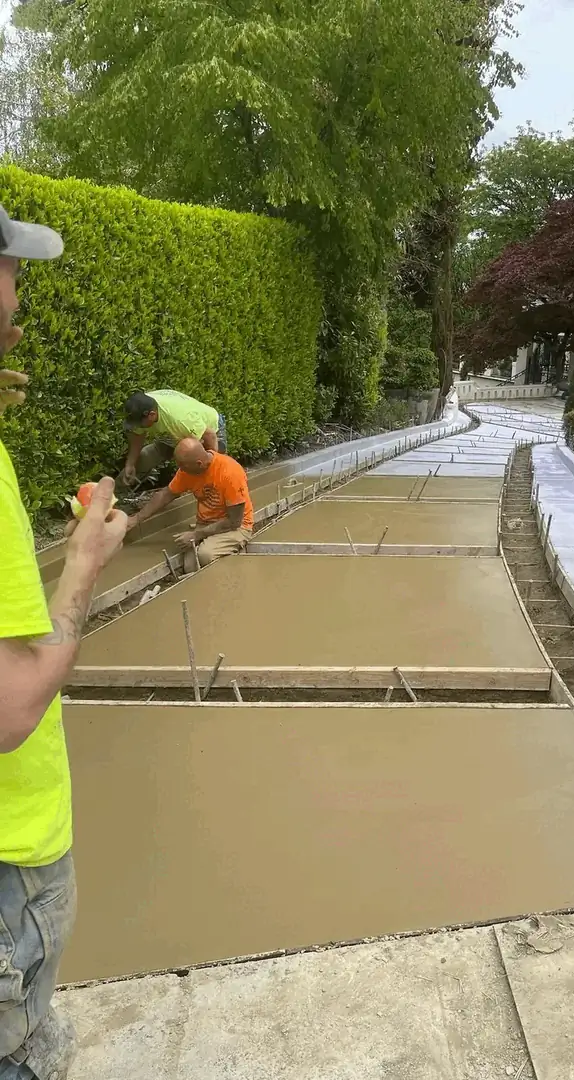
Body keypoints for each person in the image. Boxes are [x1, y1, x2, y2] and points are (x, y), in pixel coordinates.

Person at [0, 206, 127, 1078]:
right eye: (11, 285)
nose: (17, 316)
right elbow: (12, 705)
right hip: (12, 858)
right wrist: (84, 561)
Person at [127, 437, 253, 574]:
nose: (180, 470)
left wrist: (197, 534)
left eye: (183, 466)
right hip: (206, 523)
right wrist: (136, 519)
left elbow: (234, 521)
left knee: (205, 555)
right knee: (190, 567)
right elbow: (166, 495)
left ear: (199, 464)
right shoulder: (187, 471)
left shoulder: (230, 473)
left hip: (237, 526)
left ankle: (235, 571)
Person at [118, 388, 227, 489]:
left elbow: (210, 435)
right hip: (174, 433)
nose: (137, 426)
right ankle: (115, 496)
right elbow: (137, 436)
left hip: (206, 431)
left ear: (152, 414)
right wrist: (130, 464)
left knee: (216, 472)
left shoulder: (182, 420)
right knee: (146, 457)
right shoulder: (140, 407)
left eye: (139, 424)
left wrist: (212, 469)